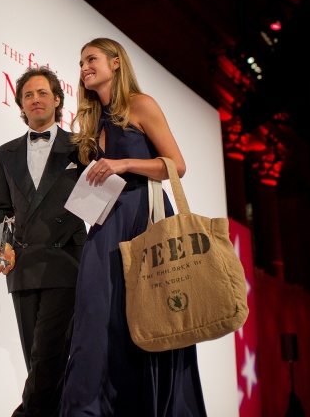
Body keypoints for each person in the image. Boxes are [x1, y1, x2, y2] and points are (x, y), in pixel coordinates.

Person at [60, 38, 207, 416]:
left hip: (144, 217)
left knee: (152, 313)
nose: (83, 68)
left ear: (115, 63)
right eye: (80, 62)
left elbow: (176, 164)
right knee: (98, 315)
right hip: (106, 223)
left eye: (91, 59)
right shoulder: (94, 121)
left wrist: (125, 164)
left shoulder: (141, 105)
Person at [0, 67, 87, 417]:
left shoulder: (81, 146)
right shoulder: (4, 153)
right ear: (20, 104)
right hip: (23, 267)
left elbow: (100, 195)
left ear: (57, 99)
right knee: (40, 364)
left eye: (42, 93)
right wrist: (0, 244)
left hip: (66, 262)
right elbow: (2, 209)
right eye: (28, 95)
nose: (35, 99)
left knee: (46, 359)